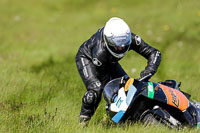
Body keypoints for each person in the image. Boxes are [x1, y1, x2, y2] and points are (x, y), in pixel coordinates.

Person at [75, 17, 161, 125]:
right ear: (108, 41)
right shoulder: (100, 53)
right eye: (117, 45)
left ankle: (137, 119)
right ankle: (82, 123)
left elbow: (154, 53)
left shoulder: (128, 39)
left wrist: (149, 70)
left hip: (110, 60)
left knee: (130, 89)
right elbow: (108, 87)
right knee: (95, 91)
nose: (121, 47)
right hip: (87, 58)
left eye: (124, 43)